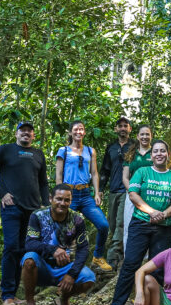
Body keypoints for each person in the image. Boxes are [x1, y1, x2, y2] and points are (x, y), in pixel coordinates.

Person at [107, 140, 171, 305]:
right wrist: (151, 212)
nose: (159, 154)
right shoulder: (142, 172)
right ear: (151, 156)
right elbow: (133, 194)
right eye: (155, 151)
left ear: (168, 155)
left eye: (162, 151)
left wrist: (163, 214)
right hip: (140, 224)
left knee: (158, 268)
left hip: (164, 228)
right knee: (131, 263)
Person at [0, 121, 49, 305]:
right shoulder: (5, 150)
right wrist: (2, 193)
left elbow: (43, 183)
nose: (26, 133)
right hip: (12, 207)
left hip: (33, 210)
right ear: (16, 134)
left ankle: (18, 293)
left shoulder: (38, 154)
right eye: (22, 130)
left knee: (25, 250)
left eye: (29, 131)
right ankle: (7, 295)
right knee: (10, 247)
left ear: (33, 135)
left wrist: (46, 205)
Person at [19, 184, 95, 305]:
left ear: (71, 201)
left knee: (89, 279)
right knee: (29, 259)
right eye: (59, 199)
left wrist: (72, 274)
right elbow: (30, 243)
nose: (62, 203)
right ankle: (30, 304)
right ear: (50, 199)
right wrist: (53, 250)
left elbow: (83, 249)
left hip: (66, 268)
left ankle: (64, 299)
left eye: (66, 200)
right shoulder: (38, 216)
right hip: (42, 266)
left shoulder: (77, 220)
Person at [55, 120, 111, 272]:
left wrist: (97, 193)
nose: (78, 132)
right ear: (70, 132)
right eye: (75, 129)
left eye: (81, 129)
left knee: (103, 225)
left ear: (84, 132)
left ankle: (98, 257)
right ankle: (62, 262)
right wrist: (59, 197)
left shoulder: (90, 151)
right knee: (65, 229)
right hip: (68, 194)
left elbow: (94, 173)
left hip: (85, 194)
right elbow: (58, 175)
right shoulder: (63, 150)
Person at [100, 116, 133, 269]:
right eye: (120, 126)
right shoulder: (111, 147)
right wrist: (100, 190)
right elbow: (105, 170)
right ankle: (120, 255)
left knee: (120, 223)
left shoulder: (134, 146)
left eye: (125, 126)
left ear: (130, 129)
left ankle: (112, 260)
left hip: (128, 190)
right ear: (116, 129)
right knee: (112, 224)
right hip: (113, 190)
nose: (122, 128)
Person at [123, 125, 153, 249]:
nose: (145, 137)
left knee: (149, 226)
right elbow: (125, 177)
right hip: (131, 195)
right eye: (142, 134)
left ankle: (146, 261)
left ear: (151, 136)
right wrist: (133, 193)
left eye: (147, 134)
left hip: (151, 195)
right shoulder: (131, 154)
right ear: (137, 136)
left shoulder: (155, 152)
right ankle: (128, 257)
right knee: (129, 225)